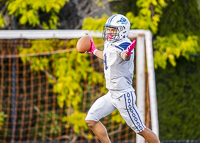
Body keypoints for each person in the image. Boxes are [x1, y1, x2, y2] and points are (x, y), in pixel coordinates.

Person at [85, 14, 160, 143]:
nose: (109, 32)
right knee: (91, 120)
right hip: (112, 94)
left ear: (122, 30)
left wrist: (128, 53)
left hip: (123, 95)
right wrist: (93, 50)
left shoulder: (125, 43)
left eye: (113, 29)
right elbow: (107, 56)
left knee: (141, 129)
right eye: (109, 29)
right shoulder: (109, 43)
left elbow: (125, 55)